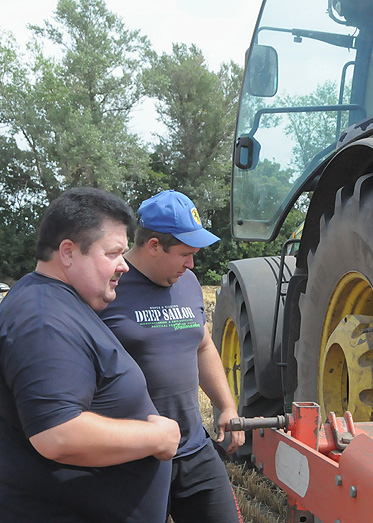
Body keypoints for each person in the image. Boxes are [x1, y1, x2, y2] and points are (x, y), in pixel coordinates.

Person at [0, 187, 180, 522]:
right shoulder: (44, 321)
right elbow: (58, 435)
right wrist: (160, 436)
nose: (124, 266)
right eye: (112, 253)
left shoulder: (56, 303)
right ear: (67, 252)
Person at [100, 190, 244, 523]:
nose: (192, 264)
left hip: (193, 448)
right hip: (134, 459)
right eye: (185, 254)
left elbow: (203, 344)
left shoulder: (188, 283)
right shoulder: (108, 289)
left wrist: (227, 405)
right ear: (153, 245)